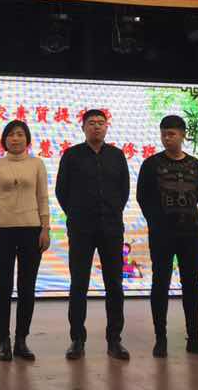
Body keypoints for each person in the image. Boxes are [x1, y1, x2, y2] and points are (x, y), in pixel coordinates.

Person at [136, 115, 198, 359]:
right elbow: (143, 197)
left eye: (171, 134)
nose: (167, 138)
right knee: (160, 283)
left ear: (183, 135)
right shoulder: (151, 164)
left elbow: (196, 193)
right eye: (164, 134)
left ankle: (194, 338)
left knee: (191, 284)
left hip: (190, 233)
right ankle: (160, 339)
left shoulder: (195, 165)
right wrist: (157, 222)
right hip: (162, 234)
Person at [55, 109, 130, 361]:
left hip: (111, 228)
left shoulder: (117, 155)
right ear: (83, 127)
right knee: (79, 283)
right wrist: (77, 214)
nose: (96, 127)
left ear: (106, 127)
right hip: (81, 229)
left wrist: (111, 211)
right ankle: (77, 339)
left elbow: (124, 190)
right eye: (91, 123)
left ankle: (114, 339)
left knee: (114, 284)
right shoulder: (72, 155)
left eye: (101, 123)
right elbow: (61, 191)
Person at [0, 120, 50, 361]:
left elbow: (42, 197)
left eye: (20, 134)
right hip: (2, 231)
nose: (15, 138)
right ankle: (4, 339)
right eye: (11, 135)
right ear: (4, 140)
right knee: (2, 287)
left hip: (32, 230)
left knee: (27, 287)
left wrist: (45, 229)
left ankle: (22, 339)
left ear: (27, 139)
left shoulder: (37, 164)